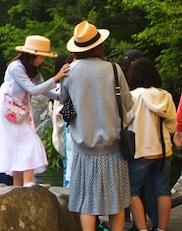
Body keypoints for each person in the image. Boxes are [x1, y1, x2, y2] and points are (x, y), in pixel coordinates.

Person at [61, 20, 133, 231]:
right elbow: (127, 104)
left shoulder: (70, 71)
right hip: (114, 146)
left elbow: (65, 102)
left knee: (86, 203)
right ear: (98, 45)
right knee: (116, 202)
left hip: (84, 149)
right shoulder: (113, 69)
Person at [0, 34, 70, 187]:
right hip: (8, 110)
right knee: (29, 141)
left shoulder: (33, 70)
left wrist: (59, 96)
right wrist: (56, 78)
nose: (42, 60)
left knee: (18, 144)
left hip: (18, 110)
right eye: (41, 57)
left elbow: (43, 90)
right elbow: (33, 90)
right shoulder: (16, 67)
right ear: (32, 55)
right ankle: (28, 181)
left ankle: (18, 185)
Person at [124, 57, 176, 231]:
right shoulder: (166, 96)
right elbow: (172, 125)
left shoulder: (133, 96)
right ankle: (160, 228)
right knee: (162, 190)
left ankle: (141, 227)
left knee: (131, 190)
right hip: (164, 151)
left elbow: (125, 122)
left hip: (141, 151)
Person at [51, 54, 77, 187]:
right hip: (66, 143)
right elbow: (62, 115)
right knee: (69, 180)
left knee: (69, 177)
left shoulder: (58, 89)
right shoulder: (61, 90)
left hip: (64, 143)